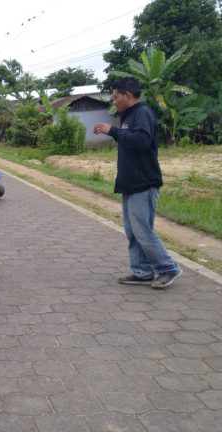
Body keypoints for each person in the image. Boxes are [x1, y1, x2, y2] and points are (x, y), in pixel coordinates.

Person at [93, 77, 182, 289]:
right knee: (132, 231)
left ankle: (169, 268)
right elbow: (129, 139)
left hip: (144, 183)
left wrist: (112, 131)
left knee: (142, 230)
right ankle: (142, 272)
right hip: (130, 182)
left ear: (128, 95)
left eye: (116, 97)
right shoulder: (128, 115)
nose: (114, 102)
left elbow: (141, 140)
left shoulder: (142, 113)